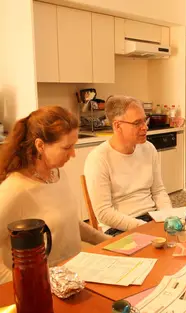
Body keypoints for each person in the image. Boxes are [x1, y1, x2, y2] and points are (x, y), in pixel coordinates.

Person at [0, 106, 109, 285]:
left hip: (74, 276)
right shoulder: (15, 190)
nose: (73, 154)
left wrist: (110, 242)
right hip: (44, 287)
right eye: (67, 147)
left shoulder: (57, 174)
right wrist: (19, 283)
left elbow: (70, 222)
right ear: (40, 145)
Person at [84, 95, 172, 236]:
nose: (145, 127)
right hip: (119, 228)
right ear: (117, 126)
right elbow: (104, 213)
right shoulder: (98, 158)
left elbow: (158, 191)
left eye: (145, 120)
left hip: (152, 218)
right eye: (137, 123)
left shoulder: (149, 149)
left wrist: (168, 216)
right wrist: (143, 227)